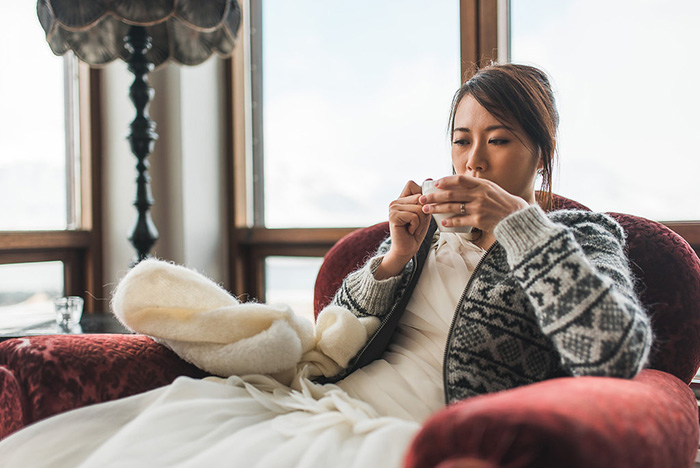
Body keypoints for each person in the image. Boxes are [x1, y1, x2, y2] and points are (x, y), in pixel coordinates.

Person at [0, 63, 652, 467]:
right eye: (461, 140)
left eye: (499, 140)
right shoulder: (427, 236)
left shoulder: (574, 234)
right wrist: (395, 255)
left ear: (542, 153)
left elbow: (613, 355)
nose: (473, 162)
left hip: (428, 430)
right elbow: (330, 346)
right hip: (329, 403)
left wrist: (519, 224)